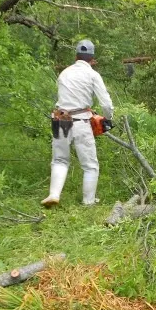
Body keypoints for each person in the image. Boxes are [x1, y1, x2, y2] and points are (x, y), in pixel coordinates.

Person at [41, 39, 114, 207]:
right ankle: (88, 202)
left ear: (76, 56)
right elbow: (106, 104)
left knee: (59, 160)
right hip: (81, 121)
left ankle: (53, 195)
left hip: (60, 120)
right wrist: (108, 117)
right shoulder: (92, 75)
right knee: (90, 165)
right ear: (92, 59)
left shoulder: (64, 73)